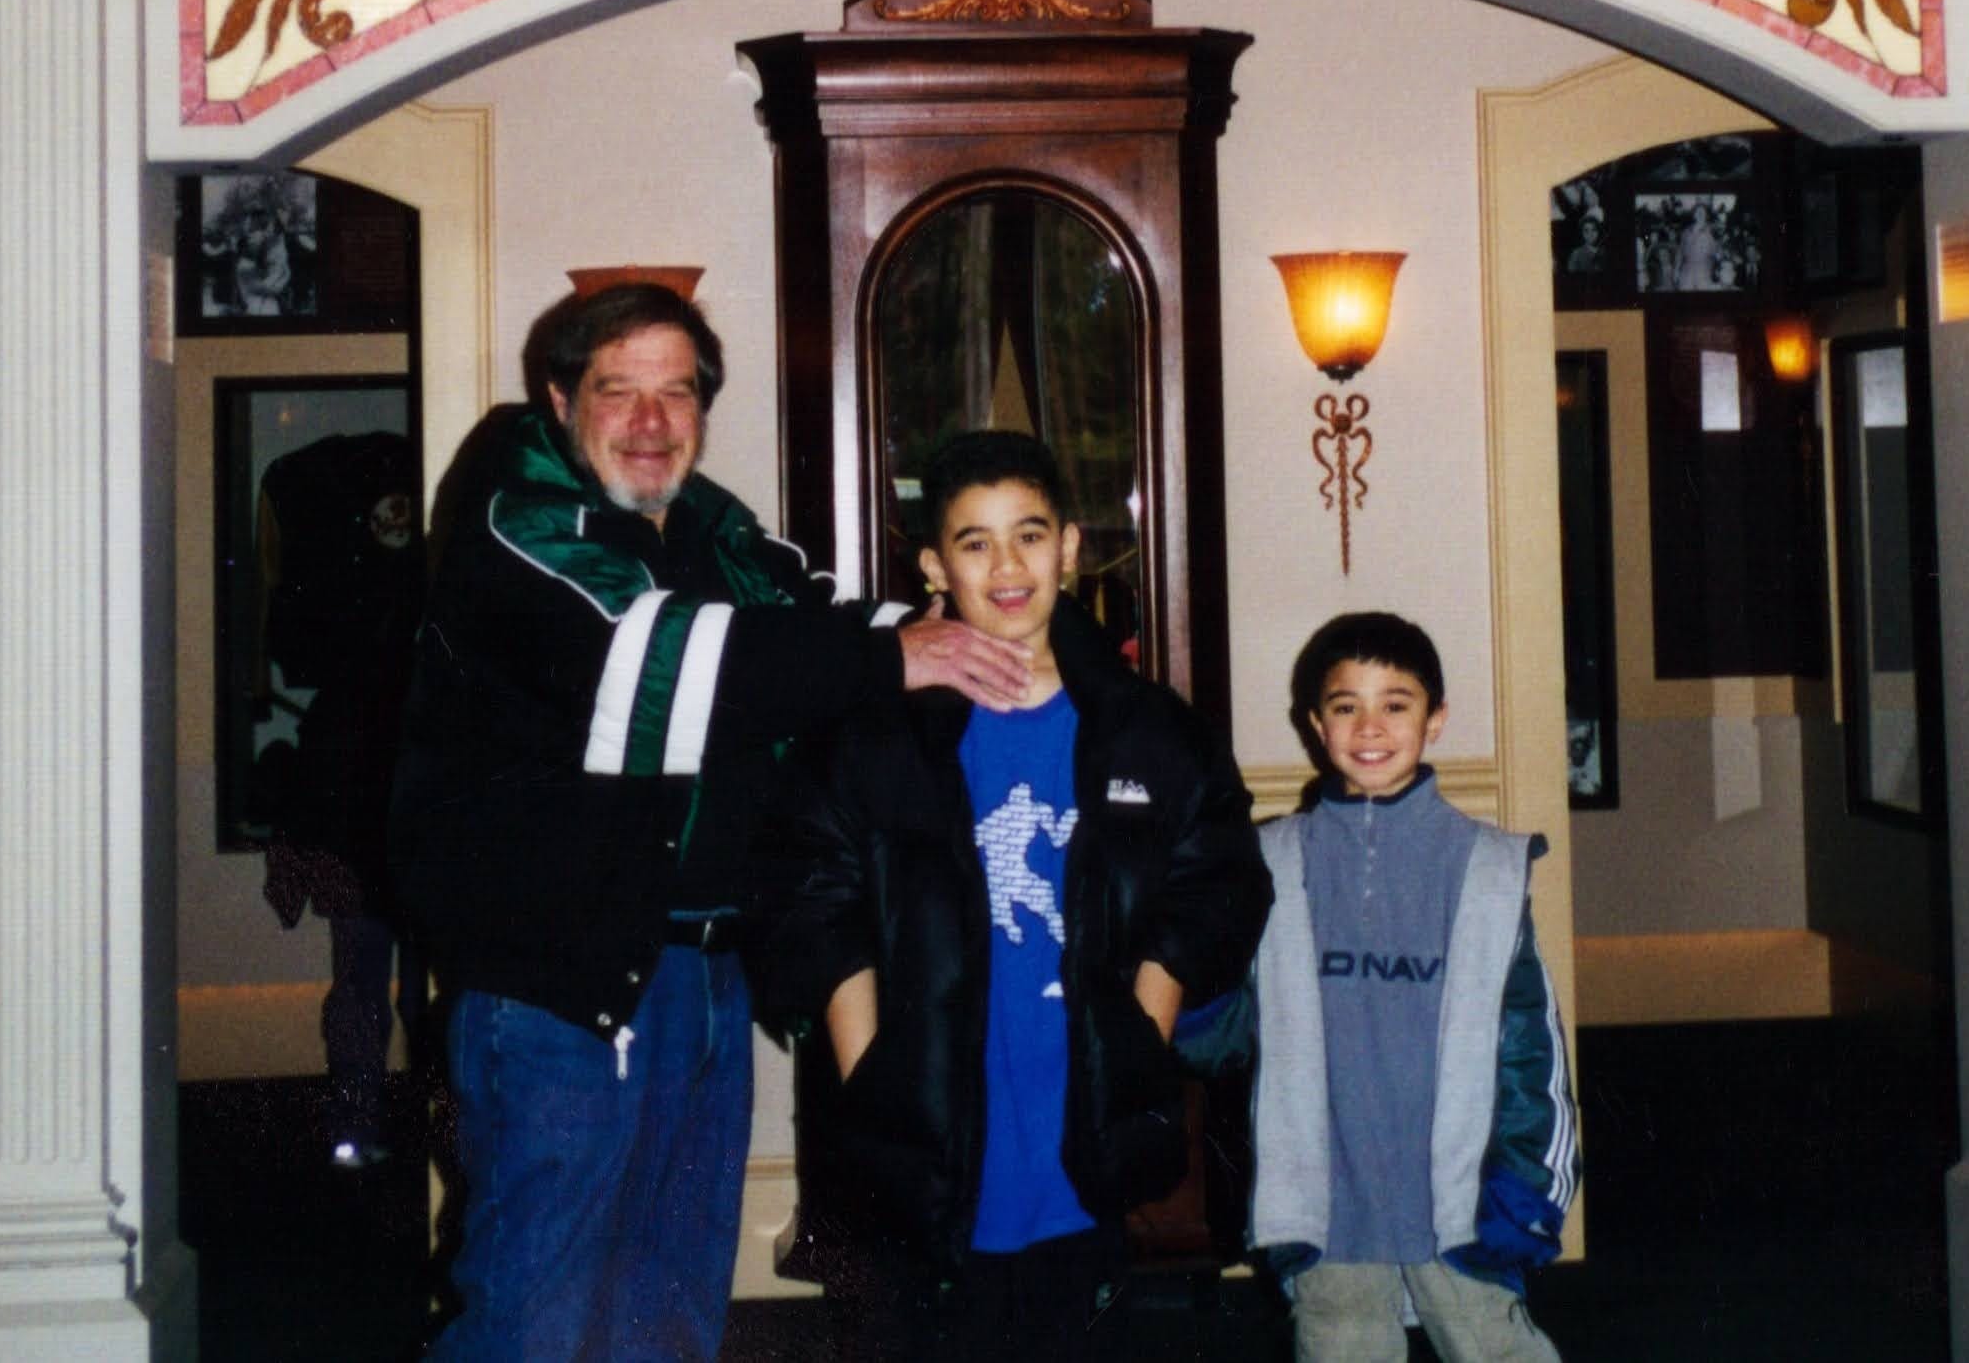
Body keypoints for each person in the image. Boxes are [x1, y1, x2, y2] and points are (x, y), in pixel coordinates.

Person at [389, 281, 1031, 1363]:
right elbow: (651, 659)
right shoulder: (515, 521)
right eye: (618, 391)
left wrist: (983, 629)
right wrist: (894, 654)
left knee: (671, 1308)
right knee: (538, 1319)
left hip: (702, 973)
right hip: (557, 987)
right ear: (560, 400)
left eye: (677, 393)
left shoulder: (708, 524)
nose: (651, 421)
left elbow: (811, 616)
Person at [758, 429, 1272, 1358]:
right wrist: (868, 1061)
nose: (1006, 567)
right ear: (933, 565)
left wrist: (1143, 1023)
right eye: (975, 541)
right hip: (920, 1143)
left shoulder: (1152, 731)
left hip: (1083, 1134)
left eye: (1029, 535)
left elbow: (1218, 886)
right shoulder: (872, 734)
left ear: (1068, 547)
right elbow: (808, 897)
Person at [1249, 612, 1578, 1363]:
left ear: (1435, 720)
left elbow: (1532, 1051)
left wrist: (1525, 1190)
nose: (1370, 727)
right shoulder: (1273, 864)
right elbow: (1230, 1029)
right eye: (1346, 706)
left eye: (1395, 705)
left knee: (1494, 1347)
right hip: (1329, 1207)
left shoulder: (1487, 869)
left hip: (1459, 1204)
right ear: (1316, 724)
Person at [253, 429, 426, 1169]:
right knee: (394, 985)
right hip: (389, 821)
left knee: (365, 982)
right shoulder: (406, 599)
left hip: (370, 820)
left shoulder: (341, 599)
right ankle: (400, 1129)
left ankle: (360, 1129)